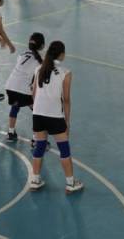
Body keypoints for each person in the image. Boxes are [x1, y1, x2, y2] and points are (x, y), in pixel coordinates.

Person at [29, 41, 84, 194]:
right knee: (64, 149)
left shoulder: (39, 68)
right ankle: (71, 183)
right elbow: (66, 99)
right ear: (62, 54)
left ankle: (35, 180)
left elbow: (33, 93)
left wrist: (38, 109)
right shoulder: (66, 72)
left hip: (38, 114)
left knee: (39, 146)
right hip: (55, 116)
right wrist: (67, 121)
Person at [5, 32, 45, 143]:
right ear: (42, 46)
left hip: (10, 86)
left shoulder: (22, 54)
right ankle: (36, 139)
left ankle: (10, 133)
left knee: (15, 106)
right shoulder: (41, 61)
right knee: (37, 111)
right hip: (24, 89)